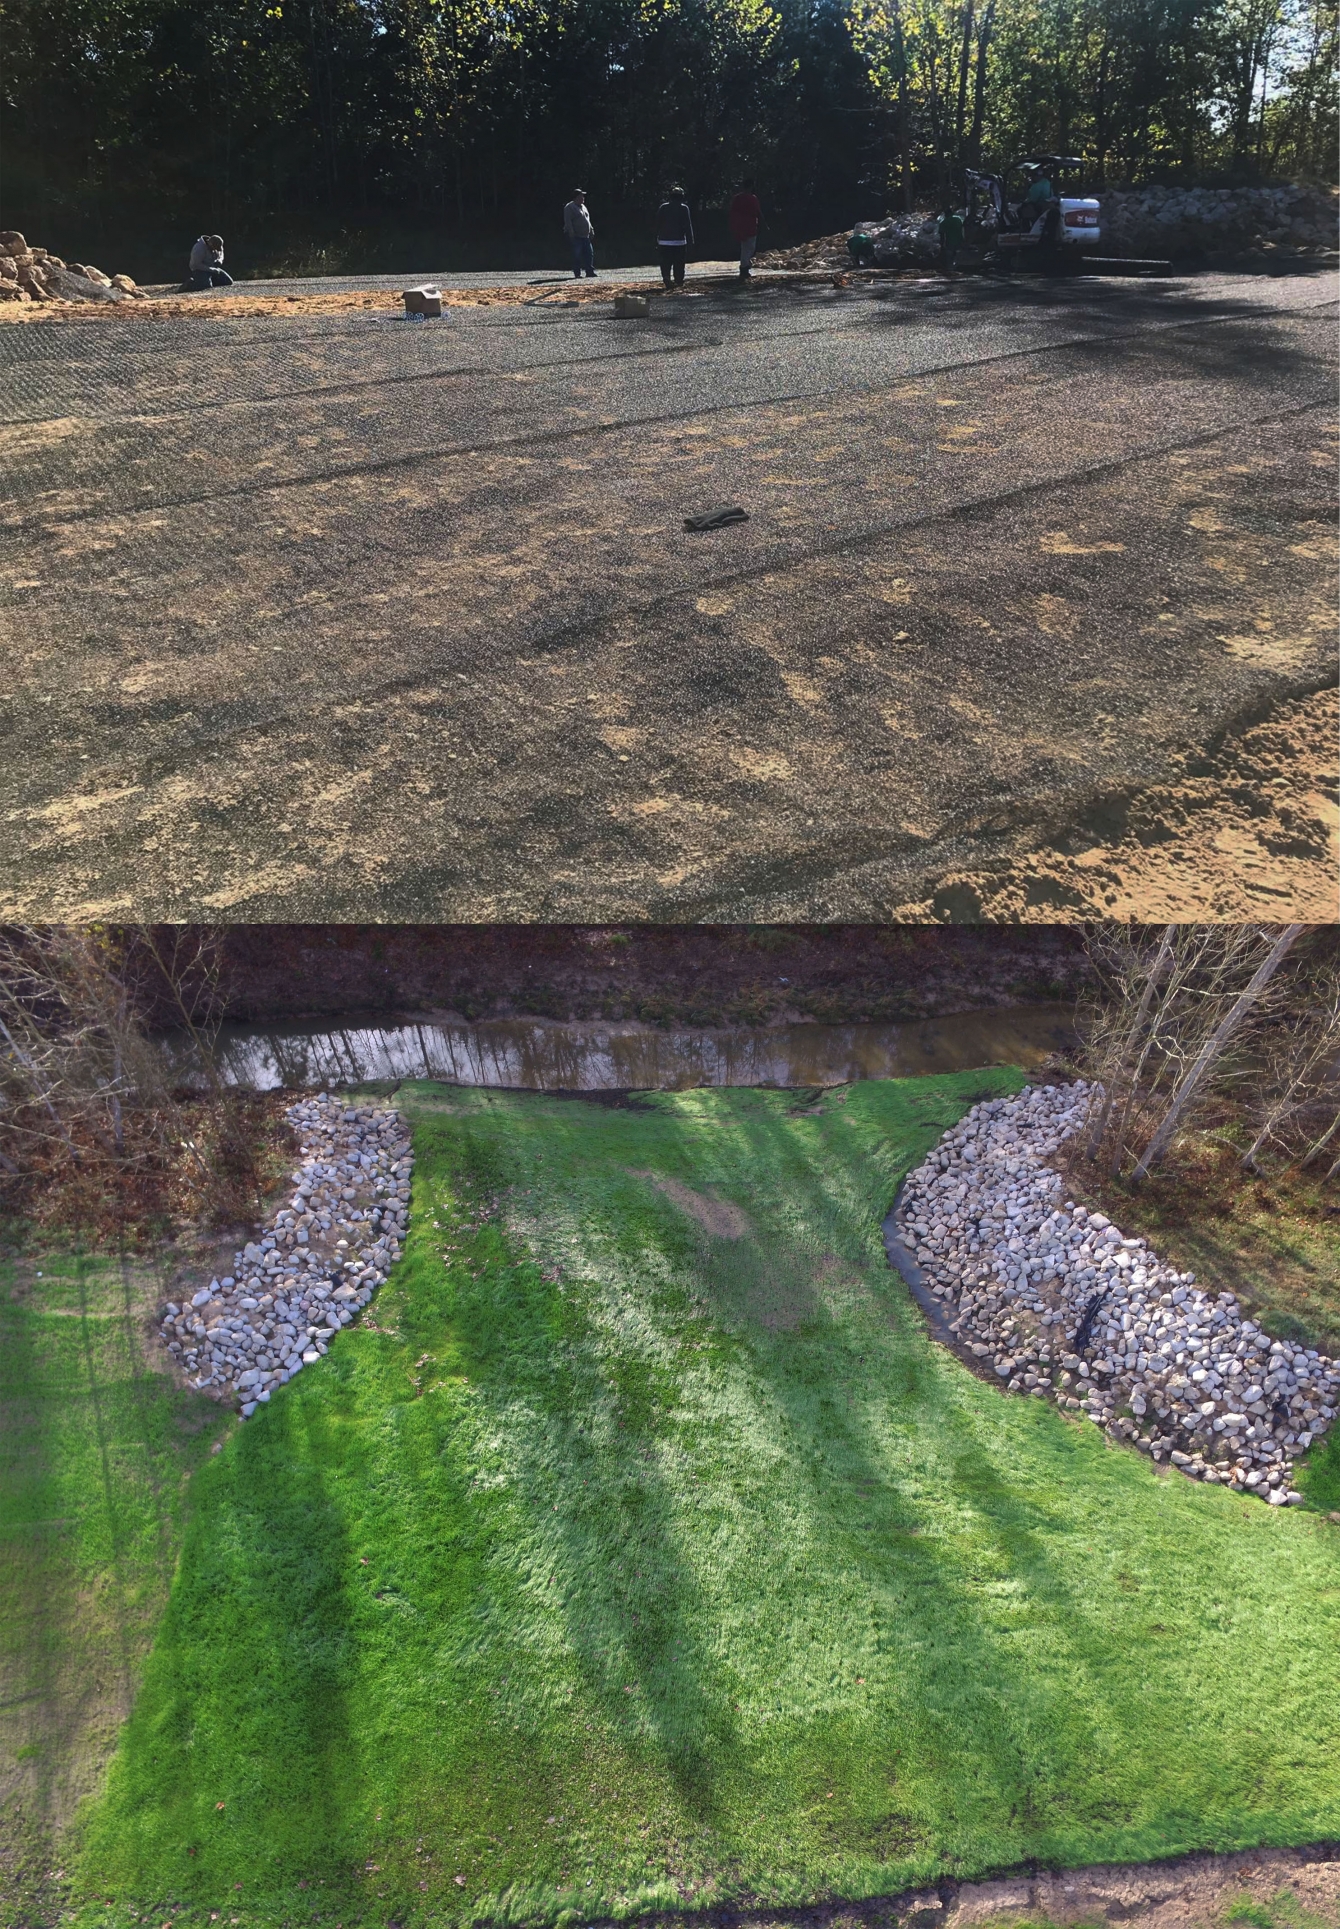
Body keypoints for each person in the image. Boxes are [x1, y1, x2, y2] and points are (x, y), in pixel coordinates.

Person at [656, 187, 693, 288]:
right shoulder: (684, 208)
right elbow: (688, 226)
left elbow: (657, 224)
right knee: (679, 263)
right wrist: (690, 241)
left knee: (665, 262)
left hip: (664, 241)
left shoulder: (663, 207)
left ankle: (666, 277)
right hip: (679, 241)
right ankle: (678, 280)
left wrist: (656, 238)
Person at [729, 178, 761, 279]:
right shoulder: (752, 198)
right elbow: (757, 211)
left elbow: (733, 212)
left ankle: (745, 265)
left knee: (746, 247)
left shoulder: (738, 198)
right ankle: (744, 268)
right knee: (749, 248)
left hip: (741, 226)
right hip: (749, 226)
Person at [562, 191, 596, 279]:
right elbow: (568, 221)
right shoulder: (569, 207)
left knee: (589, 253)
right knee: (576, 254)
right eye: (581, 196)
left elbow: (588, 219)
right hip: (576, 235)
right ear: (576, 197)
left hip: (585, 235)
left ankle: (590, 271)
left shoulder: (583, 207)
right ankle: (577, 273)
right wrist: (571, 232)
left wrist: (591, 230)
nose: (583, 198)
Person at [937, 205, 965, 270]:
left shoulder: (944, 222)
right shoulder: (958, 220)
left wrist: (942, 245)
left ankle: (950, 268)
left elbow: (942, 235)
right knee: (958, 255)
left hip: (950, 241)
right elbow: (963, 229)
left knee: (949, 255)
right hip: (959, 240)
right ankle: (958, 266)